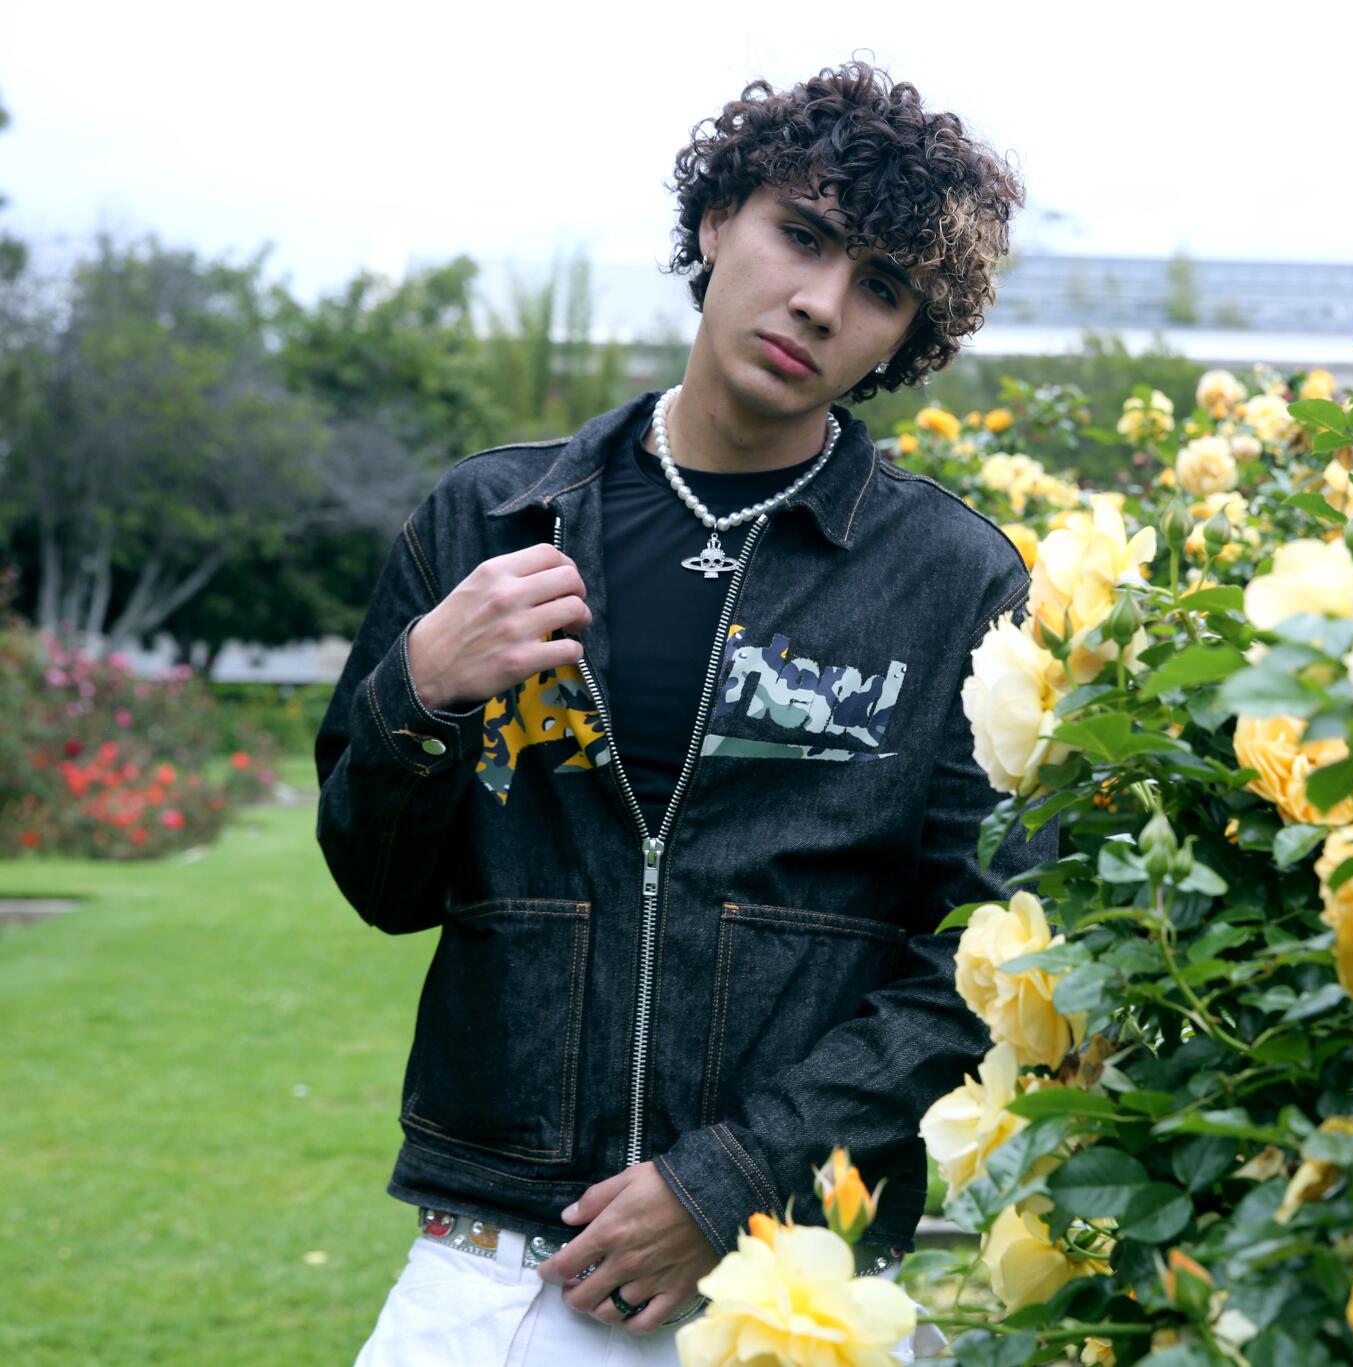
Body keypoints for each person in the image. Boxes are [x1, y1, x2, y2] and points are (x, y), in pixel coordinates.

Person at [316, 59, 1041, 1362]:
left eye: (881, 287)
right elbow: (381, 884)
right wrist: (417, 691)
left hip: (799, 1289)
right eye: (802, 236)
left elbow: (981, 956)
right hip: (495, 1263)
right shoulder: (488, 521)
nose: (819, 303)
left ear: (904, 341)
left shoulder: (955, 582)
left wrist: (727, 1182)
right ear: (717, 221)